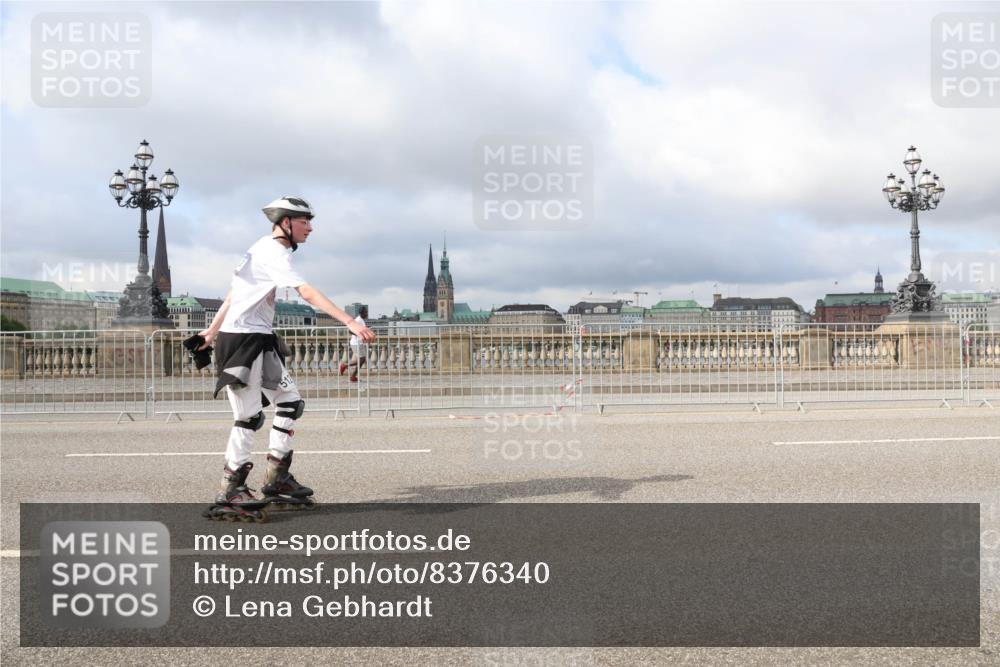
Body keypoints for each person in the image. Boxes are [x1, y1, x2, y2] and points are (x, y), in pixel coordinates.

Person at [198, 196, 375, 521]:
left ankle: (276, 478)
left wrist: (209, 332)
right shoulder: (272, 252)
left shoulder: (259, 250)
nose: (310, 227)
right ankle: (230, 487)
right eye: (304, 220)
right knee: (249, 417)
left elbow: (234, 294)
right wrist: (349, 321)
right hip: (240, 342)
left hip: (260, 339)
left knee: (290, 402)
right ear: (285, 222)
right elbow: (306, 292)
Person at [340, 305, 369, 382]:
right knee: (362, 360)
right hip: (356, 343)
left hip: (359, 342)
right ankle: (345, 365)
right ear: (362, 313)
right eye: (366, 312)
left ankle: (353, 376)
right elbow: (350, 330)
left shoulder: (361, 320)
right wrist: (360, 334)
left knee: (361, 360)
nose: (367, 313)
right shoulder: (358, 320)